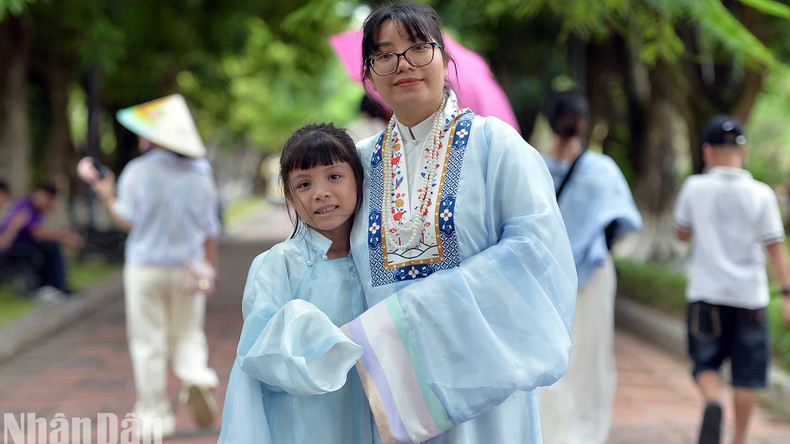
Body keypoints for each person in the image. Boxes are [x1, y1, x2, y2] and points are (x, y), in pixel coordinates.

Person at [343, 2, 577, 443]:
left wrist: (417, 313)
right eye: (385, 55)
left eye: (418, 47)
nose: (404, 64)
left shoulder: (497, 145)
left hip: (485, 384)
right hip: (393, 388)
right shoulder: (359, 163)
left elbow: (538, 255)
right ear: (369, 76)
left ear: (446, 60)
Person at [217, 122, 370, 444]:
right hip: (304, 418)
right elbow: (259, 352)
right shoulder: (278, 265)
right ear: (288, 194)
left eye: (334, 176)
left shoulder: (378, 257)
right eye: (303, 184)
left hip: (374, 408)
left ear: (359, 178)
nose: (321, 192)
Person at [89, 94, 221, 439]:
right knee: (188, 333)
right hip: (189, 269)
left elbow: (127, 221)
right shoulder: (201, 172)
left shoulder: (138, 171)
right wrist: (211, 269)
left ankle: (154, 415)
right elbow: (210, 228)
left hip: (145, 268)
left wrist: (107, 194)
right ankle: (195, 375)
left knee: (149, 342)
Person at [673, 114, 790, 444]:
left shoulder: (695, 187)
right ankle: (739, 439)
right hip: (750, 297)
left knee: (705, 364)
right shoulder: (763, 194)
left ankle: (712, 402)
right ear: (744, 150)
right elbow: (776, 249)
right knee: (747, 375)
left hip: (706, 293)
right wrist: (787, 294)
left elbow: (681, 234)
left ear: (708, 151)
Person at [537, 89, 642, 444]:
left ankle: (548, 433)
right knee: (591, 359)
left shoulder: (531, 165)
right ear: (584, 123)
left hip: (544, 278)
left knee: (546, 354)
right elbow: (625, 225)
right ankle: (585, 435)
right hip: (593, 277)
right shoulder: (602, 169)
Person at [0, 182, 83, 302]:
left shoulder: (35, 209)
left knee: (50, 247)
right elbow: (36, 233)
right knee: (49, 247)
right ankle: (51, 286)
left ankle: (55, 286)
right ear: (38, 193)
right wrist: (64, 236)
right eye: (48, 198)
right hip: (15, 249)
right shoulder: (24, 207)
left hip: (23, 247)